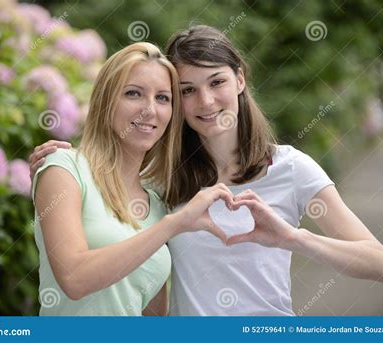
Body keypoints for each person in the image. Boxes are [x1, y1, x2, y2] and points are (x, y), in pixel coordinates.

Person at [29, 26, 383, 316]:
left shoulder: (289, 167)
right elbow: (109, 181)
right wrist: (64, 161)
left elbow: (382, 265)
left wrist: (293, 239)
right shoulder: (162, 179)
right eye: (187, 90)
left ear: (240, 80)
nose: (205, 101)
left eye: (217, 82)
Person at [31, 41, 233, 316]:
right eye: (133, 93)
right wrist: (173, 225)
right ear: (106, 100)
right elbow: (74, 279)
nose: (149, 110)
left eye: (162, 98)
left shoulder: (157, 203)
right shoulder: (64, 169)